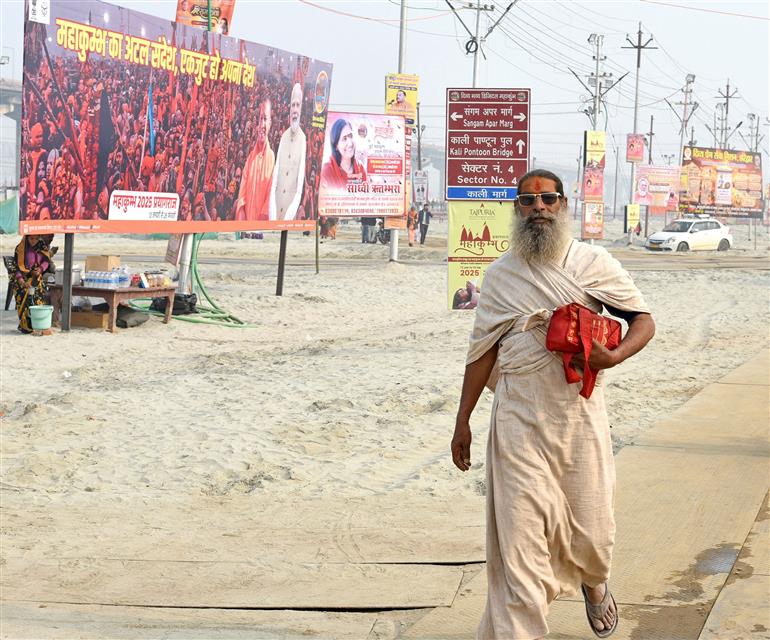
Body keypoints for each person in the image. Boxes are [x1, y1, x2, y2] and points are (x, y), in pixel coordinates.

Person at [451, 169, 655, 640]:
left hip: (578, 417)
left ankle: (594, 581)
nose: (538, 207)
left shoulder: (592, 263)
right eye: (527, 200)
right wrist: (462, 420)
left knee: (593, 534)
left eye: (547, 199)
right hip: (518, 419)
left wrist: (616, 353)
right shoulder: (500, 276)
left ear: (563, 206)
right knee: (518, 548)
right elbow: (481, 352)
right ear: (517, 210)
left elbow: (642, 320)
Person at [269, 83, 306, 221]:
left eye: (297, 105)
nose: (295, 109)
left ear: (301, 108)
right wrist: (272, 213)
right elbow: (275, 176)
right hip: (275, 208)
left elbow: (299, 188)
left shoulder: (303, 139)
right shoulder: (283, 136)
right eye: (293, 105)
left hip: (289, 211)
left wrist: (289, 216)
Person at [236, 100, 274, 221]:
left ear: (270, 123)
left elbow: (270, 198)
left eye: (265, 119)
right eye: (260, 119)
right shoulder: (250, 159)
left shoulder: (272, 159)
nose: (262, 124)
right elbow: (242, 196)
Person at [11, 234, 56, 334]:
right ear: (26, 237)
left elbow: (46, 261)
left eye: (36, 238)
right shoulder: (20, 249)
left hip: (36, 277)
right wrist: (22, 281)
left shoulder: (42, 246)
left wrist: (40, 269)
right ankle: (26, 326)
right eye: (31, 238)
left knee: (38, 297)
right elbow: (16, 268)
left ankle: (38, 325)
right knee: (24, 295)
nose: (34, 241)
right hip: (21, 279)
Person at [320, 118, 367, 189]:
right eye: (344, 139)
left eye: (351, 136)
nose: (350, 143)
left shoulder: (360, 169)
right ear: (336, 146)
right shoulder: (327, 171)